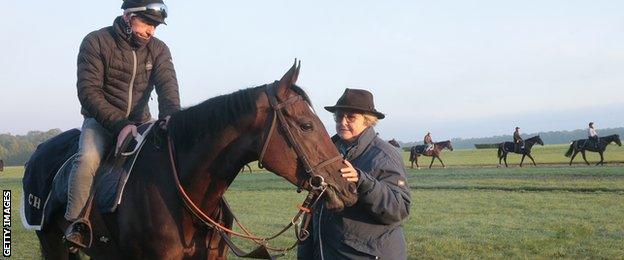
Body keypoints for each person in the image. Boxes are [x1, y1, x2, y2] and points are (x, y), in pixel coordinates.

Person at [64, 0, 180, 249]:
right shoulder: (95, 41)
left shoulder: (159, 50)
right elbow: (88, 91)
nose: (151, 31)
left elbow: (168, 89)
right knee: (88, 160)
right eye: (147, 23)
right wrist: (120, 124)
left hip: (142, 122)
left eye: (156, 27)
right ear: (128, 17)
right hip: (102, 122)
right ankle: (75, 225)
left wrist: (171, 116)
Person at [298, 88, 412, 259]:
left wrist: (363, 181)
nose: (342, 122)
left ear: (367, 121)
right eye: (338, 116)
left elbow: (399, 209)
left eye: (350, 117)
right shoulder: (329, 152)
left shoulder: (384, 155)